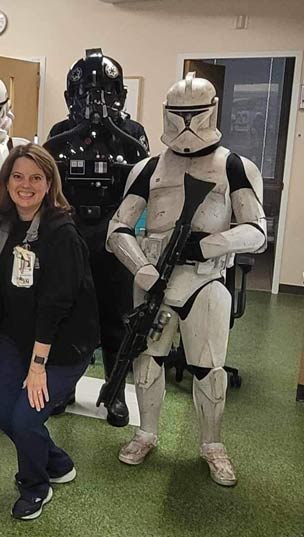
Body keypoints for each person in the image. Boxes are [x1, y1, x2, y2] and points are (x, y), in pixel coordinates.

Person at [106, 73, 266, 486]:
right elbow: (118, 228)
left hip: (204, 280)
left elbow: (257, 230)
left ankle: (212, 444)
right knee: (145, 360)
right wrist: (141, 266)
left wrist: (207, 246)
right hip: (152, 280)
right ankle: (146, 433)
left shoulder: (234, 166)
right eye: (179, 114)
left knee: (208, 369)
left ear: (212, 111)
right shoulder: (148, 168)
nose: (188, 122)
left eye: (196, 113)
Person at [0, 143, 99, 520]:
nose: (26, 185)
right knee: (5, 415)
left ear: (50, 183)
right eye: (18, 176)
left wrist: (38, 366)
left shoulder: (61, 233)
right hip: (17, 336)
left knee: (24, 419)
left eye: (36, 177)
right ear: (7, 181)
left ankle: (34, 485)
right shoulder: (4, 224)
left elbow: (56, 305)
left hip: (62, 345)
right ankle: (57, 460)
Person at [44, 48, 149, 427]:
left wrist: (112, 128)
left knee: (115, 321)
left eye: (104, 91)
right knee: (68, 316)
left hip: (114, 239)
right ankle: (66, 387)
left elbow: (143, 181)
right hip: (71, 237)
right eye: (88, 92)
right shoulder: (60, 133)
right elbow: (48, 179)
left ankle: (115, 391)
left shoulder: (132, 134)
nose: (96, 101)